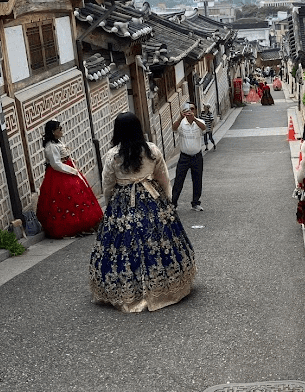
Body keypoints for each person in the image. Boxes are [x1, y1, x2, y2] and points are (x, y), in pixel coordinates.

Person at [89, 112, 196, 313]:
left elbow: (108, 184)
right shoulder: (152, 151)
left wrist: (110, 205)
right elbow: (163, 177)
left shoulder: (113, 155)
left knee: (124, 244)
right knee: (156, 240)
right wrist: (168, 202)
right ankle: (163, 286)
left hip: (123, 201)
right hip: (151, 197)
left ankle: (127, 290)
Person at [36, 120, 103, 238]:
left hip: (68, 169)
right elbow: (56, 164)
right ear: (53, 131)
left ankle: (83, 225)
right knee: (66, 200)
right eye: (59, 129)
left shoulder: (57, 142)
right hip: (59, 175)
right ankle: (73, 227)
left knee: (79, 197)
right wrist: (71, 170)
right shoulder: (50, 147)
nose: (61, 130)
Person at [172, 102, 206, 211]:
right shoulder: (181, 123)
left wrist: (194, 119)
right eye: (187, 109)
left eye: (192, 109)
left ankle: (196, 203)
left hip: (197, 156)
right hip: (184, 157)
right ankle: (173, 203)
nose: (190, 111)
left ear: (195, 110)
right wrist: (180, 117)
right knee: (178, 180)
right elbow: (174, 128)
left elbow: (204, 127)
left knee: (197, 180)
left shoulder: (199, 121)